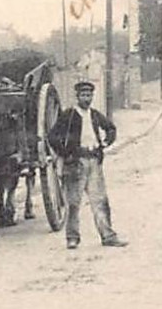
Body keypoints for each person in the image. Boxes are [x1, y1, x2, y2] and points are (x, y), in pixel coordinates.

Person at [47, 80, 128, 249]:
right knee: (73, 203)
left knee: (99, 200)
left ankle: (108, 236)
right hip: (75, 163)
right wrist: (65, 152)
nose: (87, 98)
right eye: (83, 95)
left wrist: (105, 143)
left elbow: (111, 128)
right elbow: (53, 136)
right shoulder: (68, 115)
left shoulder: (95, 115)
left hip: (94, 162)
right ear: (77, 97)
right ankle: (72, 238)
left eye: (89, 95)